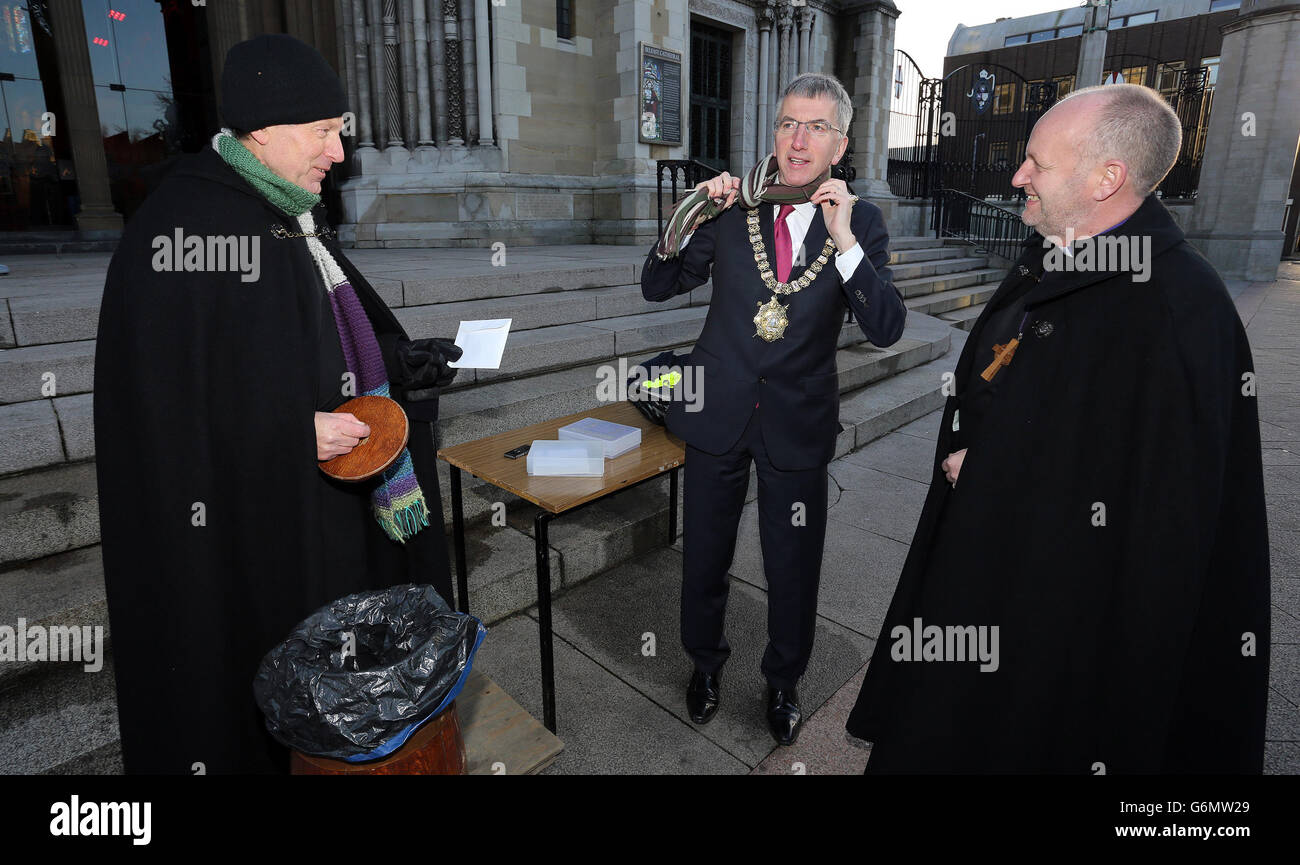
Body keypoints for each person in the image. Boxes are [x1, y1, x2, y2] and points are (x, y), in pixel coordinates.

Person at [846, 83, 1271, 773]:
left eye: (1037, 163)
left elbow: (1163, 528)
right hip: (984, 582)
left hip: (1054, 652)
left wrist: (998, 475)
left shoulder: (1179, 312)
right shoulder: (1060, 249)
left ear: (1108, 178)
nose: (1018, 176)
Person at [95, 34, 459, 774]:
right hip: (246, 547)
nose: (338, 150)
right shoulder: (182, 230)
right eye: (323, 130)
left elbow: (319, 339)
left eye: (339, 129)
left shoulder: (290, 212)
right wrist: (288, 433)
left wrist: (396, 362)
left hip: (322, 525)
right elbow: (161, 413)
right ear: (262, 127)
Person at [642, 73, 907, 745]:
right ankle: (704, 664)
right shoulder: (734, 209)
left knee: (793, 563)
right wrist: (688, 213)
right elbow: (658, 283)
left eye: (816, 127)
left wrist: (845, 240)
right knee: (703, 554)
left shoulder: (863, 222)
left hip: (797, 420)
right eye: (789, 122)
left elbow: (886, 327)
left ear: (840, 143)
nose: (797, 138)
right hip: (716, 409)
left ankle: (783, 679)